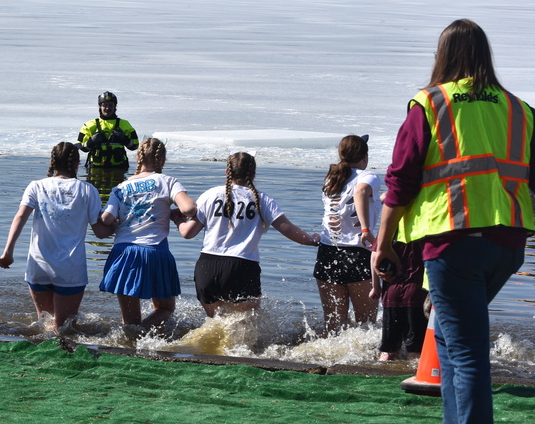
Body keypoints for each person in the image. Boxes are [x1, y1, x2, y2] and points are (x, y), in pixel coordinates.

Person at [372, 19, 533, 424]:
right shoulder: (519, 109)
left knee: (466, 356)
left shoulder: (431, 104)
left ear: (442, 55)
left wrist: (381, 244)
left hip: (453, 245)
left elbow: (401, 180)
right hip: (507, 245)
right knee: (447, 331)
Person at [177, 152, 319, 317]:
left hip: (207, 267)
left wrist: (177, 220)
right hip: (242, 267)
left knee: (216, 328)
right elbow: (288, 229)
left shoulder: (210, 195)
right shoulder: (262, 199)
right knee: (244, 332)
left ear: (227, 172)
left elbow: (188, 233)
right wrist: (313, 240)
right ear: (253, 174)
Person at [0, 142, 113, 332]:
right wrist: (120, 225)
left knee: (45, 325)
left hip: (39, 265)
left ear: (52, 161)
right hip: (70, 269)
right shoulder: (87, 190)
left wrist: (7, 252)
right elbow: (101, 233)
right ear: (77, 163)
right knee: (65, 329)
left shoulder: (36, 186)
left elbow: (20, 216)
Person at [98, 137, 197, 331]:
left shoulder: (120, 188)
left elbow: (106, 219)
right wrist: (174, 216)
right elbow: (189, 208)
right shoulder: (167, 181)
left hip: (124, 253)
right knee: (165, 308)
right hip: (154, 251)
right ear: (162, 161)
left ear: (138, 159)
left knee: (130, 322)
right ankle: (144, 334)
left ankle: (130, 339)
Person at [314, 135, 380, 334]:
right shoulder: (368, 176)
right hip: (356, 255)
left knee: (333, 327)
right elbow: (360, 193)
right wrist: (366, 230)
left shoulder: (331, 177)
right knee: (366, 326)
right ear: (365, 157)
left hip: (327, 253)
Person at [374, 235, 428, 361]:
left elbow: (375, 257)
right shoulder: (424, 229)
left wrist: (376, 286)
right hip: (417, 294)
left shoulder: (390, 229)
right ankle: (412, 376)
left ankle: (379, 376)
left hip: (391, 293)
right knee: (415, 351)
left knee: (388, 351)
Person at [77, 92, 138, 198]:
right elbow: (82, 147)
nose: (107, 108)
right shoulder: (90, 125)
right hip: (95, 171)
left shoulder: (125, 125)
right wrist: (92, 141)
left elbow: (135, 146)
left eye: (110, 105)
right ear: (100, 107)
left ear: (115, 107)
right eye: (104, 105)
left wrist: (124, 139)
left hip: (118, 170)